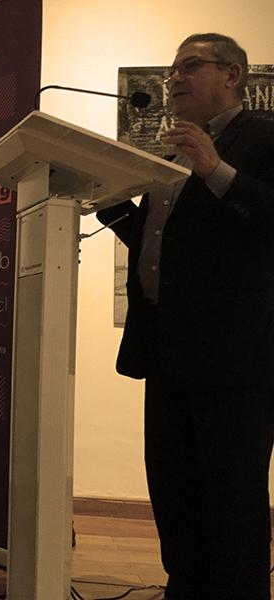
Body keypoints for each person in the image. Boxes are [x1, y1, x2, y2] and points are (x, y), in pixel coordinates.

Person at [96, 33, 274, 600]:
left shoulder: (265, 137)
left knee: (233, 497)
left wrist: (215, 168)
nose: (173, 78)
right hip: (166, 348)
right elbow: (164, 248)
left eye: (190, 66)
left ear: (233, 75)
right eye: (172, 70)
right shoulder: (170, 152)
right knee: (173, 488)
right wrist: (108, 203)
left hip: (234, 357)